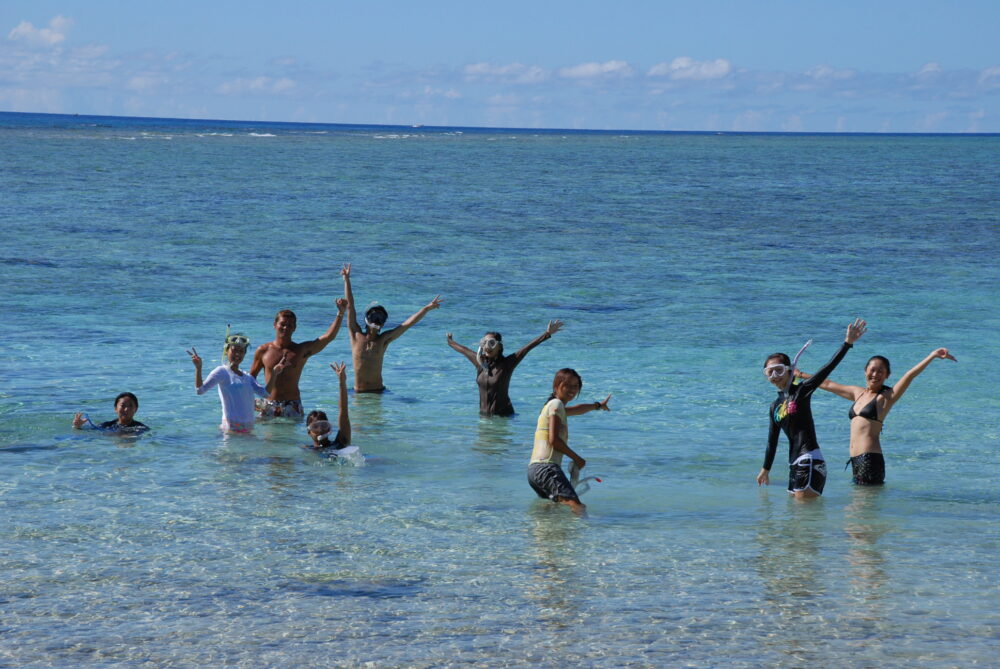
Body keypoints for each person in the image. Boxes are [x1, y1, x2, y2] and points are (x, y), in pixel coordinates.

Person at [797, 347, 956, 485]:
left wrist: (932, 355)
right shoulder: (857, 393)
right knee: (861, 508)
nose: (875, 374)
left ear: (887, 375)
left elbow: (909, 375)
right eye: (872, 370)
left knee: (861, 508)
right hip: (856, 460)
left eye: (881, 371)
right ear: (865, 371)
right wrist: (799, 374)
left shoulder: (886, 397)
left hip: (870, 459)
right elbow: (827, 384)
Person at [756, 319, 867, 499]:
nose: (774, 376)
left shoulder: (801, 391)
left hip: (809, 459)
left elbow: (827, 369)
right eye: (770, 372)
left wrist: (847, 344)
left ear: (789, 370)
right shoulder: (774, 407)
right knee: (797, 521)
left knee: (802, 519)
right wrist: (765, 469)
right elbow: (772, 441)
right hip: (794, 464)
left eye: (778, 370)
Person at [341, 263, 442, 392]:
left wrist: (426, 308)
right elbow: (350, 307)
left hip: (378, 392)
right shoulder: (356, 334)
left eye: (380, 319)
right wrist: (347, 280)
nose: (377, 321)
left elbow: (407, 324)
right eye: (375, 318)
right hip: (358, 393)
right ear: (367, 320)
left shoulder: (383, 339)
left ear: (383, 324)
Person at [528, 368, 612, 515]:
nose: (572, 389)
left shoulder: (552, 407)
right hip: (546, 468)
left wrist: (598, 405)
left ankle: (546, 537)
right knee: (578, 506)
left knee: (551, 511)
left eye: (575, 386)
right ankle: (581, 535)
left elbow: (577, 409)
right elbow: (554, 440)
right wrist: (577, 458)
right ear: (556, 386)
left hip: (534, 471)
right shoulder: (556, 404)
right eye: (568, 385)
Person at [249, 297, 349, 418]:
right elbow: (250, 381)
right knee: (266, 437)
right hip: (269, 404)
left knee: (292, 438)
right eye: (283, 324)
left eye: (290, 325)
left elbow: (328, 337)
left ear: (295, 328)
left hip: (293, 405)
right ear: (275, 325)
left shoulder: (301, 350)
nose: (286, 327)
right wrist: (246, 401)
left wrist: (340, 313)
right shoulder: (263, 351)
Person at [446, 320, 564, 416]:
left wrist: (547, 334)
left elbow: (526, 348)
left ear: (499, 346)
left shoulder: (507, 363)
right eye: (484, 342)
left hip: (503, 417)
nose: (487, 346)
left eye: (491, 343)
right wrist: (450, 341)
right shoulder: (479, 362)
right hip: (484, 417)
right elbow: (463, 349)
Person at [187, 332, 285, 433]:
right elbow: (200, 390)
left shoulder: (247, 377)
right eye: (234, 351)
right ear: (226, 351)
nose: (237, 354)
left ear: (245, 354)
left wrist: (274, 373)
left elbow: (265, 393)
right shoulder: (221, 371)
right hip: (231, 428)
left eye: (241, 351)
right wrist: (198, 368)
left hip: (248, 428)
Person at [305, 362, 352, 450]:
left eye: (323, 425)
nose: (320, 430)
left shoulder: (341, 442)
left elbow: (344, 413)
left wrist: (342, 383)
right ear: (309, 431)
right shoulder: (306, 449)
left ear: (329, 427)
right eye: (315, 427)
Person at [72, 392, 149, 433]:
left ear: (136, 409)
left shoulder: (142, 429)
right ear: (115, 408)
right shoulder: (106, 426)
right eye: (123, 406)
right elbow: (89, 432)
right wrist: (78, 427)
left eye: (130, 406)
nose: (126, 409)